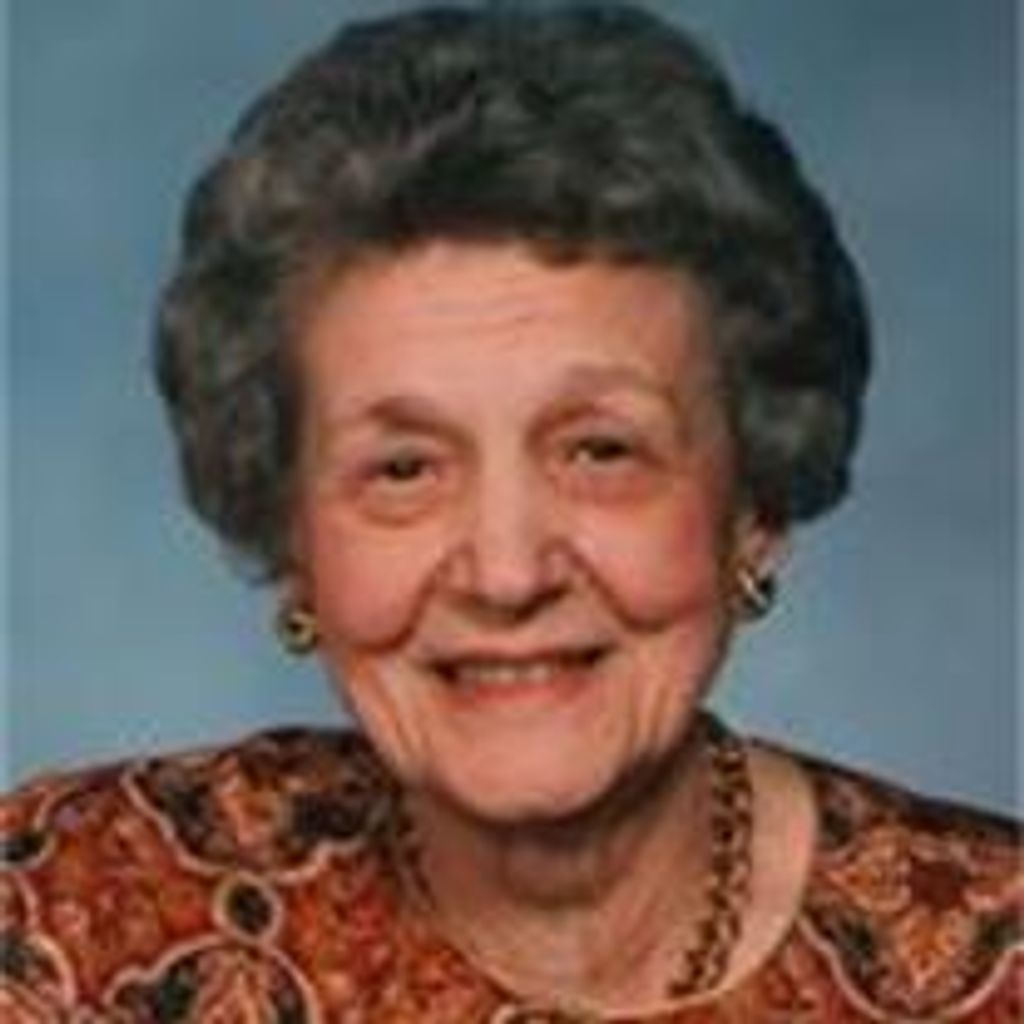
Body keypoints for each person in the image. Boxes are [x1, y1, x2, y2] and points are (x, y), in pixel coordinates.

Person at [2, 4, 1019, 1021]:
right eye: (404, 468)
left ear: (754, 505)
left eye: (599, 452)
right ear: (293, 538)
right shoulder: (65, 917)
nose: (506, 572)